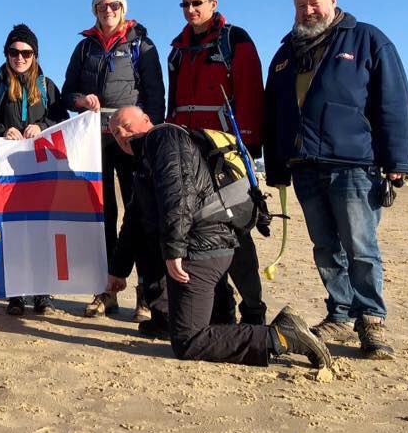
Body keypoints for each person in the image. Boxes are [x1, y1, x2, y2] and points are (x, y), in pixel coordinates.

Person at [106, 106, 332, 368]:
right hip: (203, 244)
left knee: (188, 341)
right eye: (115, 132)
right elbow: (134, 219)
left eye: (126, 125)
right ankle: (214, 318)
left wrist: (174, 251)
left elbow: (178, 195)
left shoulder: (163, 137)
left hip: (202, 246)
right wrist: (118, 271)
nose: (122, 134)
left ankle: (280, 336)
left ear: (147, 120)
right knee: (191, 324)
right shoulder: (145, 158)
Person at [263, 0, 408, 360]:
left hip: (354, 165)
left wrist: (397, 160)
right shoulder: (285, 54)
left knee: (360, 246)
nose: (308, 11)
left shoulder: (366, 39)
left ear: (333, 0)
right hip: (304, 166)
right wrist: (276, 166)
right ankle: (341, 315)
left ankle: (372, 320)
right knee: (326, 248)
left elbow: (393, 101)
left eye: (314, 2)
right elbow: (274, 114)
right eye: (300, 5)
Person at [61, 0, 165, 318]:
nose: (108, 10)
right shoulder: (84, 48)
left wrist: (150, 138)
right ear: (94, 9)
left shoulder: (142, 46)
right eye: (102, 5)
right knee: (101, 216)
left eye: (114, 4)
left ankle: (147, 293)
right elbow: (67, 94)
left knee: (143, 213)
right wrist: (81, 100)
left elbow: (155, 96)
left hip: (133, 141)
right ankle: (105, 290)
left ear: (123, 8)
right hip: (95, 142)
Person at [166, 0, 267, 325]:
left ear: (213, 2)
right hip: (189, 151)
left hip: (225, 153)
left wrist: (248, 144)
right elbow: (172, 102)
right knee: (199, 231)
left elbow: (251, 92)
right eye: (184, 4)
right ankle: (219, 308)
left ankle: (253, 310)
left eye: (196, 3)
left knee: (237, 229)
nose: (190, 10)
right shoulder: (177, 50)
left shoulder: (235, 40)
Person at [0, 23, 68, 315]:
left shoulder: (46, 86)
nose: (20, 58)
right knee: (12, 230)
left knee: (41, 227)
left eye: (26, 53)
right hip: (7, 171)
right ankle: (16, 294)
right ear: (6, 54)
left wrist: (41, 126)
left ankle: (43, 293)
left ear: (35, 55)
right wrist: (1, 130)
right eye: (14, 52)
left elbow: (62, 119)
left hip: (40, 170)